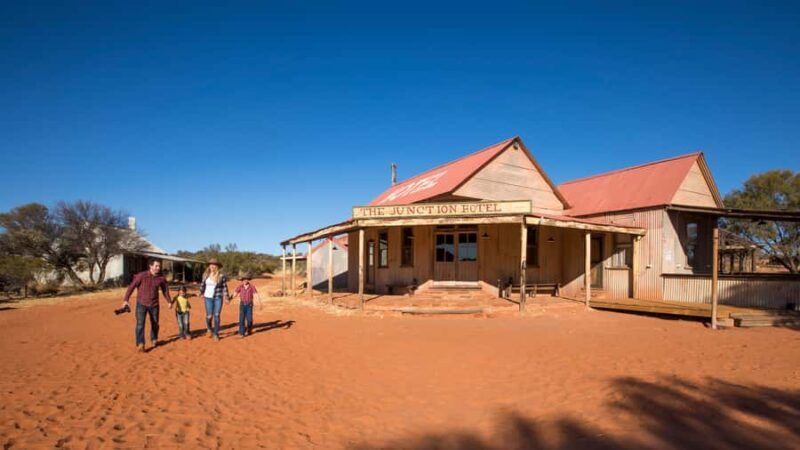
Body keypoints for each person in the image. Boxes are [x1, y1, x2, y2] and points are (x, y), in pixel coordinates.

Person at [121, 258, 174, 352]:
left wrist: (169, 301)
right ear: (151, 266)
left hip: (154, 305)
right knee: (140, 324)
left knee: (155, 324)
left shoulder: (161, 278)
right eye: (156, 266)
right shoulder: (141, 276)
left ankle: (154, 339)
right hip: (141, 304)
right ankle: (140, 344)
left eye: (159, 266)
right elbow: (131, 287)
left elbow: (165, 290)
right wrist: (126, 300)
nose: (158, 268)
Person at [198, 258, 230, 341]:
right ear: (209, 266)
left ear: (217, 267)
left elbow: (224, 287)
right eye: (211, 264)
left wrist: (227, 297)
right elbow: (202, 285)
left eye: (214, 265)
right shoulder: (205, 275)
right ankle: (209, 328)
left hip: (218, 298)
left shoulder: (221, 276)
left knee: (217, 315)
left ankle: (216, 334)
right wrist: (200, 292)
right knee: (209, 316)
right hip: (208, 298)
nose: (212, 266)